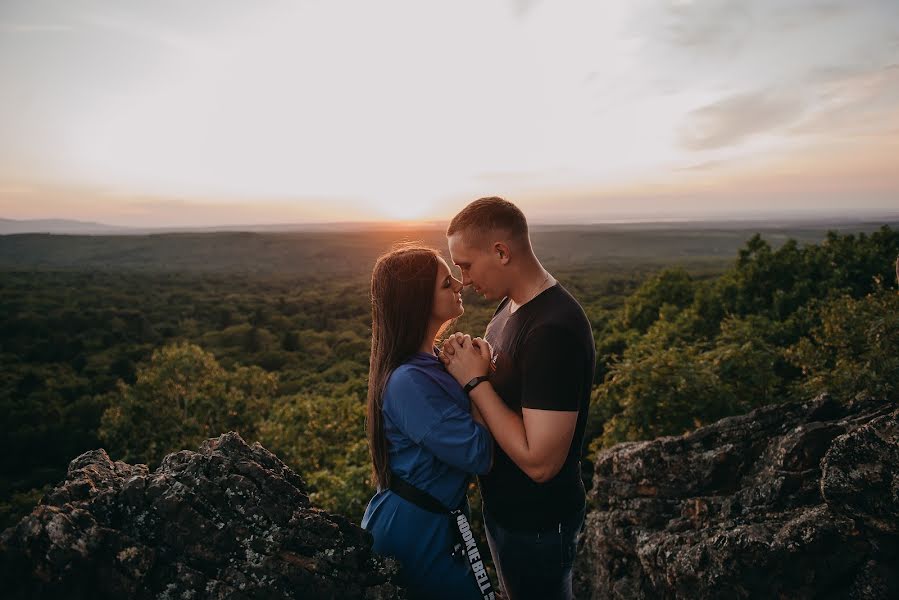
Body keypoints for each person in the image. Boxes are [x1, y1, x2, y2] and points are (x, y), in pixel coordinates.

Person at [440, 197, 595, 600]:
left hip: (538, 524)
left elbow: (541, 463)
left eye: (466, 265)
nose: (464, 281)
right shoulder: (509, 308)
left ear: (501, 252)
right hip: (507, 512)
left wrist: (475, 384)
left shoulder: (553, 329)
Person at [361, 245, 494, 600]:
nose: (458, 284)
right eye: (445, 282)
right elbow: (478, 455)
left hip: (438, 522)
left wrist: (462, 364)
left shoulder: (433, 363)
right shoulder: (408, 382)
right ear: (417, 301)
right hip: (413, 529)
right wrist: (475, 382)